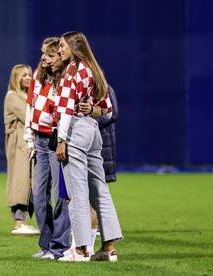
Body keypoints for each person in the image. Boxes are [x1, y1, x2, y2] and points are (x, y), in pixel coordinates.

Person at [55, 31, 123, 262]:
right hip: (93, 131)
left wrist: (61, 140)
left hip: (74, 130)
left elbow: (64, 109)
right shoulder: (94, 69)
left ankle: (81, 250)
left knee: (78, 193)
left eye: (62, 46)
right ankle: (109, 248)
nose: (59, 50)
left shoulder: (72, 70)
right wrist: (90, 110)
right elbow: (107, 110)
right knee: (100, 191)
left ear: (74, 47)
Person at [24, 37, 71, 259]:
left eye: (50, 55)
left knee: (59, 195)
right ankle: (46, 245)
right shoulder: (37, 75)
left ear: (60, 57)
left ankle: (60, 247)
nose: (44, 58)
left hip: (56, 142)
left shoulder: (66, 79)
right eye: (43, 53)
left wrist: (62, 140)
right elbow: (30, 106)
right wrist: (28, 138)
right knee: (40, 196)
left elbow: (65, 114)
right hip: (39, 142)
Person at [4, 64, 40, 236]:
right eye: (24, 75)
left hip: (28, 142)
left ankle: (23, 222)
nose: (28, 77)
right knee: (20, 182)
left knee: (29, 181)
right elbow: (29, 117)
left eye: (30, 74)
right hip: (19, 143)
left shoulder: (28, 95)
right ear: (16, 78)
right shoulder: (12, 96)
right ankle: (19, 223)